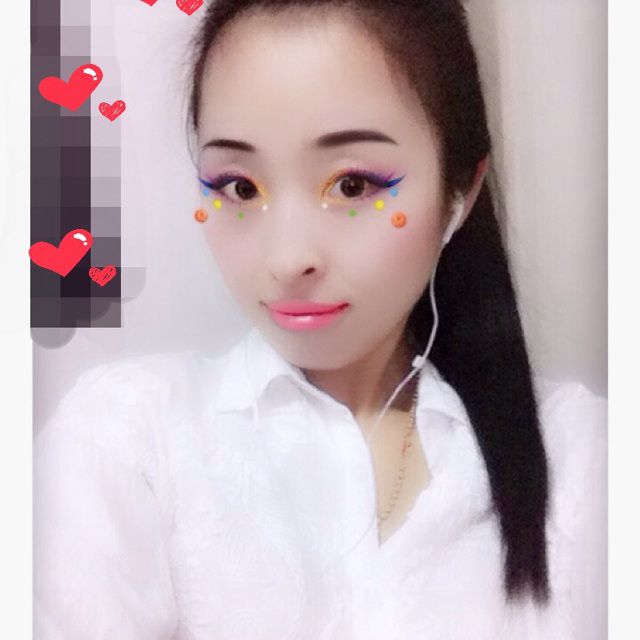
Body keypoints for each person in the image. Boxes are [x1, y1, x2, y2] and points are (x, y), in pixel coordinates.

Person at [33, 1, 607, 638]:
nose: (288, 259)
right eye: (240, 187)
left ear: (459, 192)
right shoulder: (127, 442)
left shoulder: (584, 458)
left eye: (353, 185)